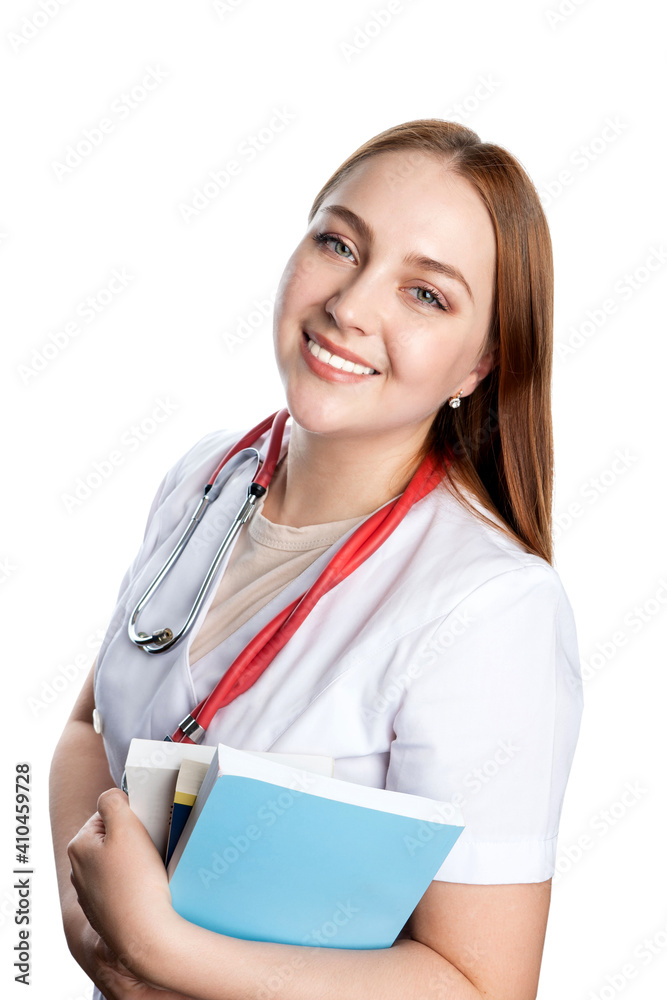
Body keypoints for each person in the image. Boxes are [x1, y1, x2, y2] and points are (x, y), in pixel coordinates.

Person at [50, 118, 584, 1000]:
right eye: (339, 243)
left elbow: (482, 988)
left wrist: (156, 949)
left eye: (426, 295)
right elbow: (86, 732)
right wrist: (82, 925)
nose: (351, 305)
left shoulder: (491, 608)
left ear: (480, 364)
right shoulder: (206, 478)